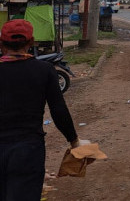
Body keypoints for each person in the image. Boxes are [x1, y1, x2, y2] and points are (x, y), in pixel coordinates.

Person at [0, 19, 84, 200]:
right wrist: (74, 141)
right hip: (28, 150)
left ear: (1, 44)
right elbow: (58, 110)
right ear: (31, 43)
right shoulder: (44, 70)